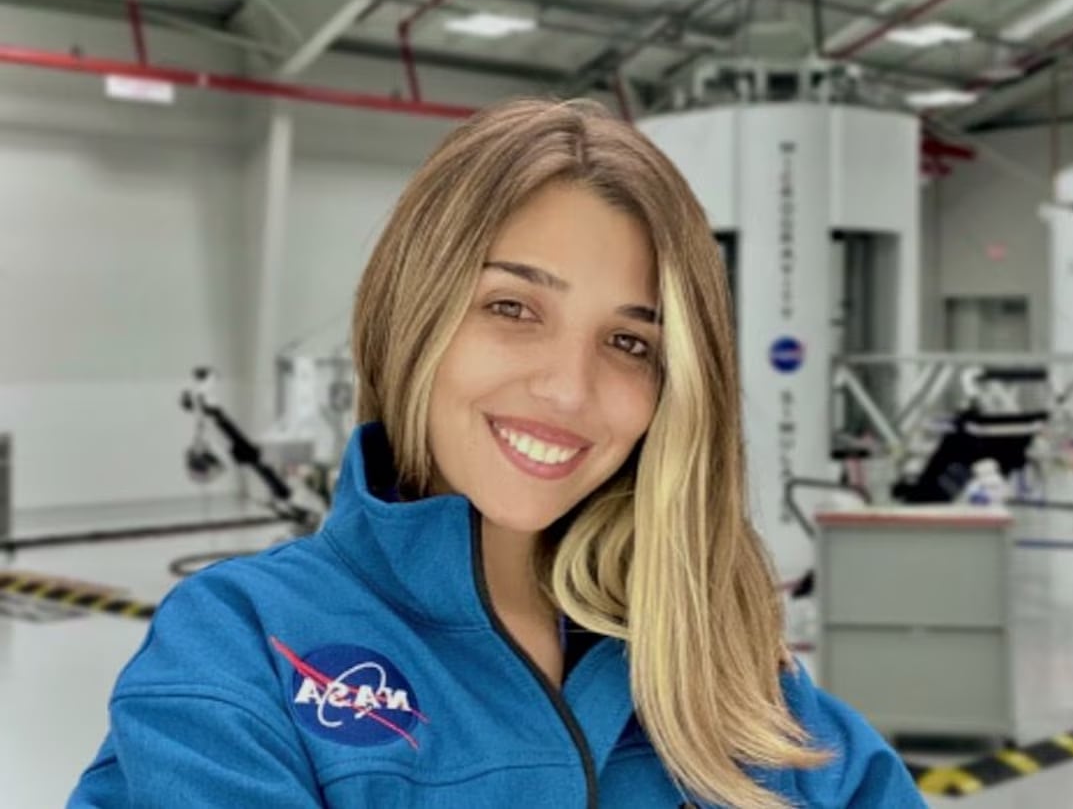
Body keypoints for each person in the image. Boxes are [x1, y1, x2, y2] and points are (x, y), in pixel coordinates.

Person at [69, 99, 926, 808]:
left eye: (630, 343)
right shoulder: (240, 648)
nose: (568, 390)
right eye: (513, 308)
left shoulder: (720, 671)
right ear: (412, 315)